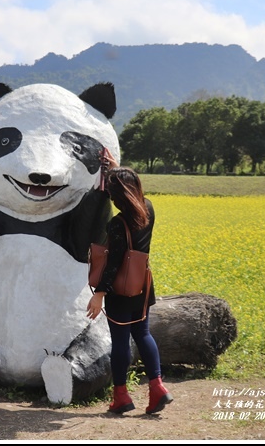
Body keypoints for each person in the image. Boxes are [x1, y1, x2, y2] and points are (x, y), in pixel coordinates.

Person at [86, 148, 173, 415]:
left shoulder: (117, 223)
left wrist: (99, 293)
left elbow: (113, 265)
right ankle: (158, 388)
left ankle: (121, 397)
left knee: (121, 341)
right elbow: (130, 186)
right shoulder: (148, 209)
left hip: (121, 290)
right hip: (143, 286)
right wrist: (117, 169)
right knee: (143, 334)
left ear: (115, 196)